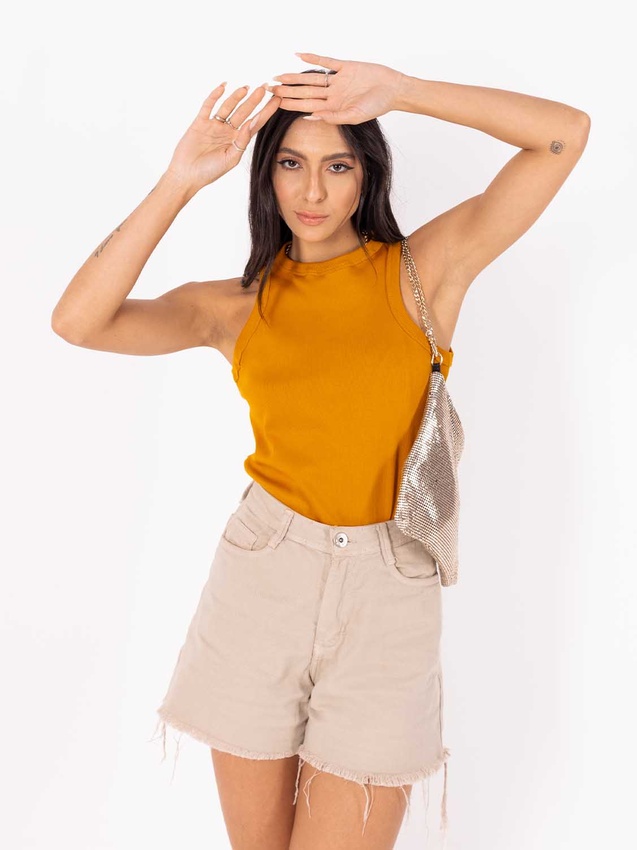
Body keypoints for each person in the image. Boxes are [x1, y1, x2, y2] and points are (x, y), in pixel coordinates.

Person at [51, 51, 590, 850]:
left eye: (337, 166)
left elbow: (562, 135)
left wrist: (403, 91)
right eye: (291, 165)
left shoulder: (421, 272)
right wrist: (178, 181)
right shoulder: (233, 307)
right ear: (265, 177)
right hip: (263, 575)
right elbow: (78, 322)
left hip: (389, 587)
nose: (311, 191)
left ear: (366, 177)